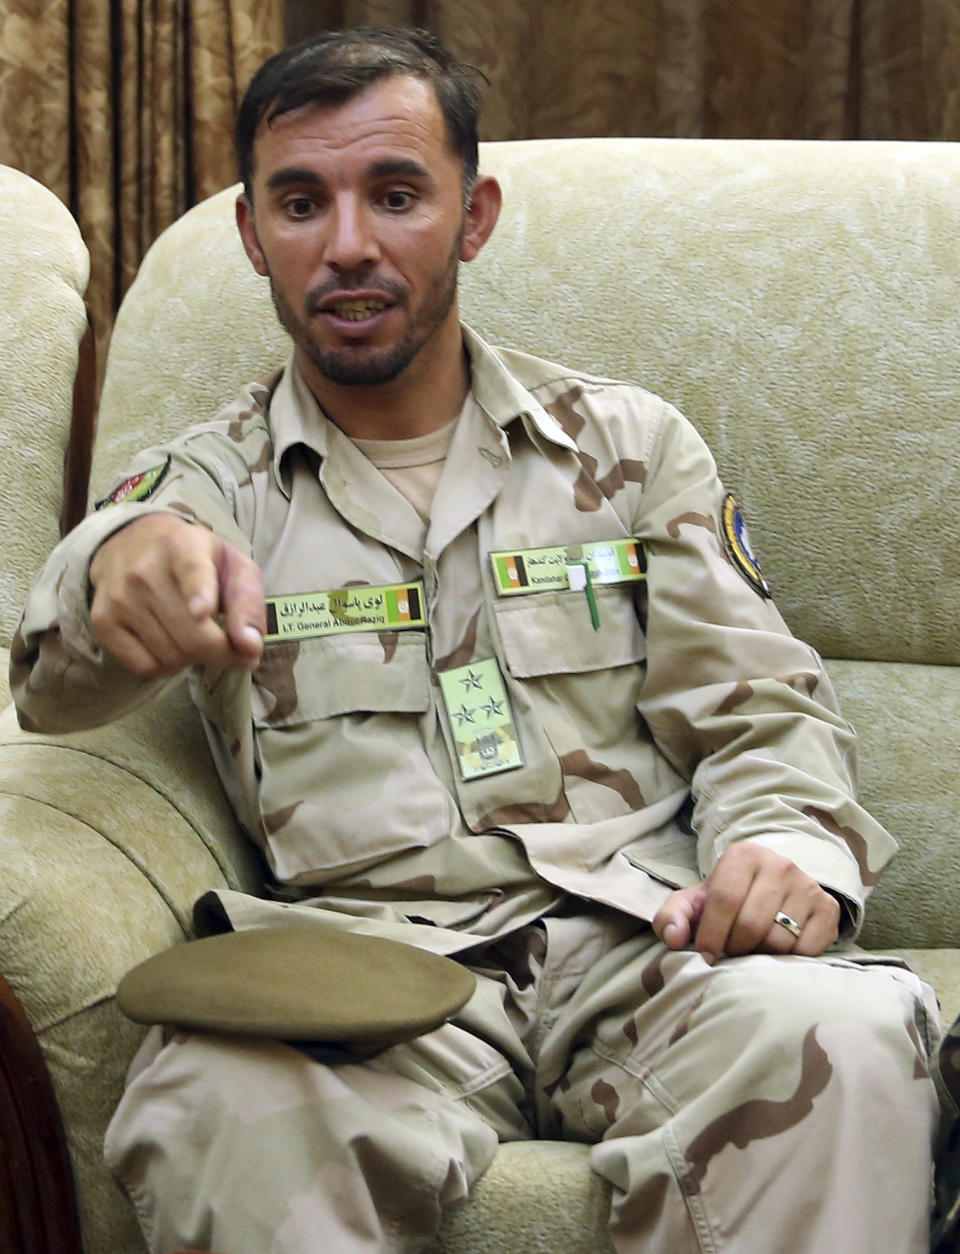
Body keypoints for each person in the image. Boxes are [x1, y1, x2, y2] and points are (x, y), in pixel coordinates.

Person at [11, 26, 942, 1254]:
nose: (348, 245)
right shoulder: (209, 484)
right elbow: (57, 677)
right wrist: (115, 580)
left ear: (474, 214)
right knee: (213, 1102)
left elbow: (762, 704)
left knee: (853, 1036)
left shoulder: (628, 449)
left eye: (396, 195)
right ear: (252, 234)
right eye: (301, 202)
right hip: (365, 985)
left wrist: (784, 845)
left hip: (647, 947)